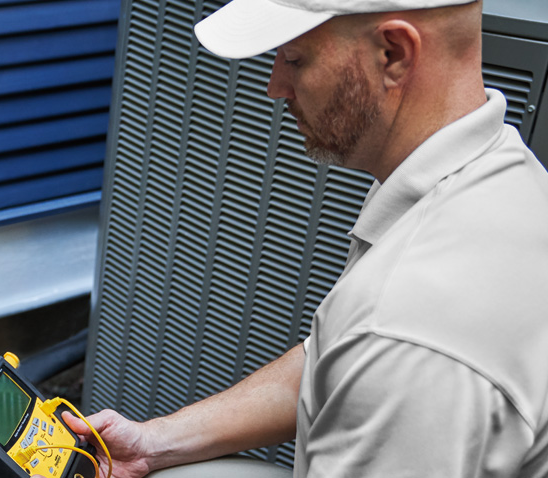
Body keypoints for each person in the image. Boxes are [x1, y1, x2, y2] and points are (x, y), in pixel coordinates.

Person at [58, 0, 548, 476]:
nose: (275, 86)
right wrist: (154, 445)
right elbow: (334, 355)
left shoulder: (408, 334)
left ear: (394, 53)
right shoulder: (500, 174)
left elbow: (375, 348)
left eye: (295, 58)